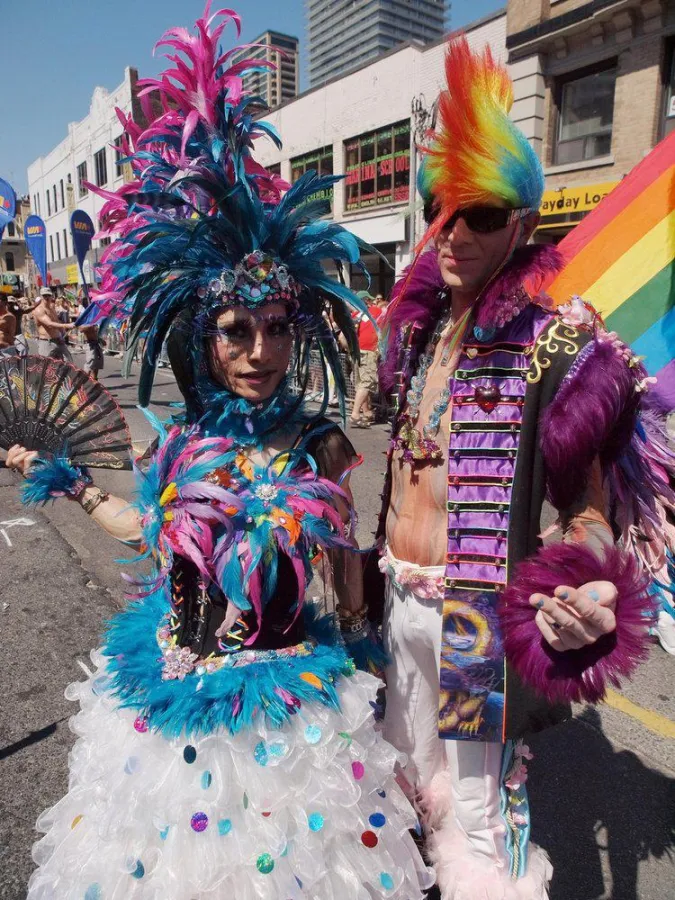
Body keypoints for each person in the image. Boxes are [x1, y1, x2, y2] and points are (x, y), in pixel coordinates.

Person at [4, 8, 433, 898]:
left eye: (277, 330)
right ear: (202, 341)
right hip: (178, 696)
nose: (259, 352)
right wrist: (77, 487)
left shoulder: (319, 444)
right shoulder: (182, 442)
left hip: (289, 706)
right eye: (235, 332)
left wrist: (379, 677)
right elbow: (153, 542)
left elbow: (348, 587)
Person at [375, 38, 671, 899]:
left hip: (471, 615)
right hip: (396, 604)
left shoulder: (559, 346)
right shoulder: (420, 331)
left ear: (523, 224)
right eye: (441, 209)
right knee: (397, 778)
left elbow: (588, 507)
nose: (453, 233)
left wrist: (593, 582)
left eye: (480, 213)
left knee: (477, 815)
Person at [350, 291, 383, 428]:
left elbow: (342, 337)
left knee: (360, 383)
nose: (372, 302)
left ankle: (366, 412)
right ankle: (355, 413)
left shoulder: (354, 316)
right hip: (368, 351)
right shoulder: (375, 311)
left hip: (355, 352)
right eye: (369, 300)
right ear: (366, 301)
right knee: (366, 382)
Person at [34, 286, 75, 361]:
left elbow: (57, 322)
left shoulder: (52, 308)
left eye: (48, 295)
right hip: (47, 342)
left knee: (68, 362)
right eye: (44, 296)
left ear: (51, 296)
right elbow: (49, 324)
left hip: (58, 340)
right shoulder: (39, 310)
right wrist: (67, 325)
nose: (47, 297)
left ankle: (60, 373)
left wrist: (62, 334)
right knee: (47, 366)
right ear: (41, 297)